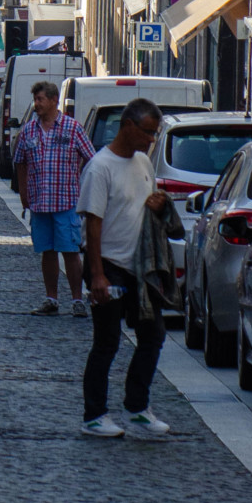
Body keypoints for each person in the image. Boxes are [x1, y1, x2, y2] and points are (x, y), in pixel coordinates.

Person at [78, 99, 170, 440]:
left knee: (153, 334)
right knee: (107, 341)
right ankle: (94, 414)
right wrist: (97, 275)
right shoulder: (100, 168)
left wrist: (157, 204)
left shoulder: (143, 162)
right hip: (109, 266)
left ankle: (136, 406)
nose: (150, 139)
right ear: (127, 125)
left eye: (154, 133)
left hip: (139, 267)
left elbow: (145, 202)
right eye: (147, 132)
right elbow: (93, 226)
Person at [14, 78, 94, 318]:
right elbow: (20, 162)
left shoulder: (72, 128)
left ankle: (77, 300)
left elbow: (92, 157)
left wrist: (82, 183)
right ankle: (51, 298)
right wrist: (24, 194)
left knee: (70, 251)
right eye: (35, 99)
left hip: (66, 201)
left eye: (40, 99)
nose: (36, 104)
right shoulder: (29, 130)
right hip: (40, 202)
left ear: (53, 101)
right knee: (47, 251)